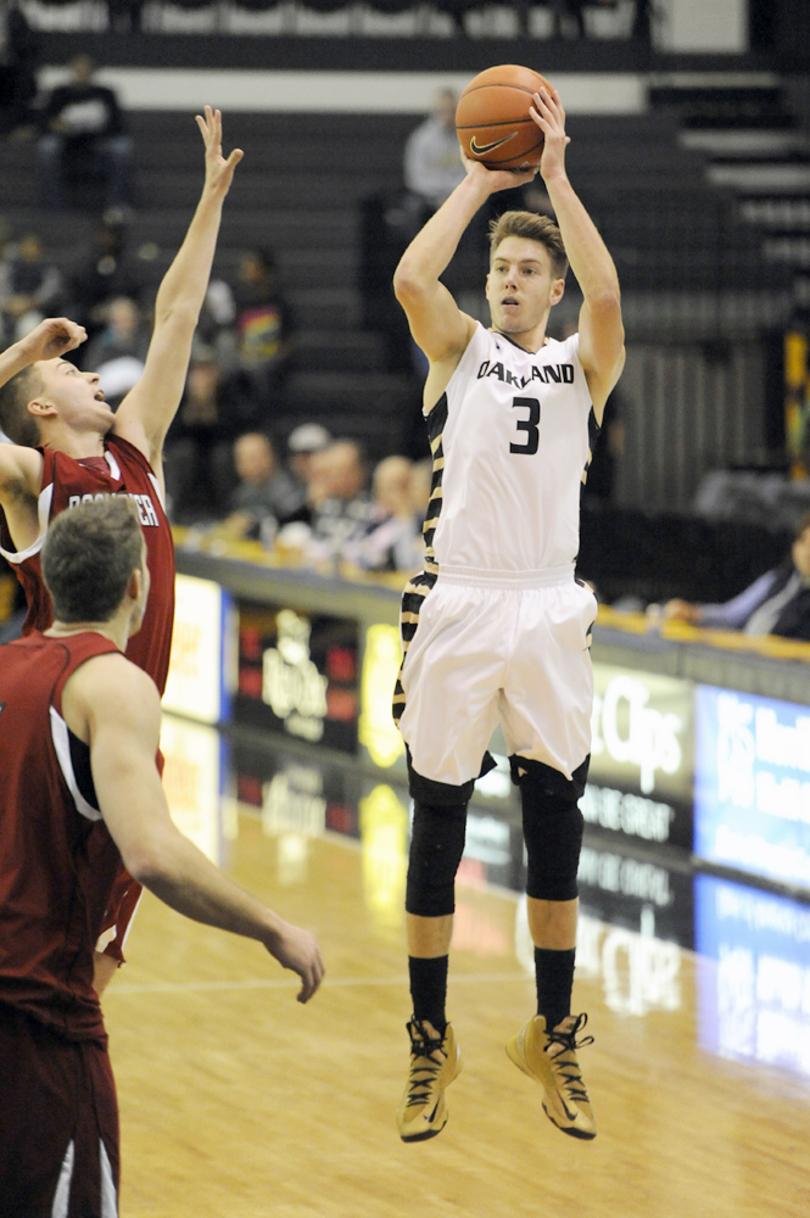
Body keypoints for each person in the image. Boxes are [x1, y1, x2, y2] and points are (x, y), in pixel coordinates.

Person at [391, 82, 624, 1142]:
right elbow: (409, 275)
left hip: (547, 608)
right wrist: (480, 182)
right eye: (501, 268)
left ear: (556, 286)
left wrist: (558, 177)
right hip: (461, 602)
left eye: (530, 269)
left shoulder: (584, 363)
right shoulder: (460, 351)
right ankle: (429, 1040)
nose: (512, 279)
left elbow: (612, 297)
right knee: (439, 822)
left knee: (554, 826)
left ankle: (552, 1032)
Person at [0, 497, 324, 1214]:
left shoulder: (6, 668)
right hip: (40, 1025)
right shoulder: (111, 683)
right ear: (138, 586)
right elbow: (152, 853)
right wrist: (274, 927)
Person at [0, 106, 243, 996]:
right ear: (39, 406)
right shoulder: (33, 474)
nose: (97, 372)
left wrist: (209, 199)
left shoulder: (138, 447)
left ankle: (60, 1117)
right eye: (72, 374)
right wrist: (21, 349)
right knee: (37, 958)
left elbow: (178, 311)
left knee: (94, 966)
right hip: (56, 732)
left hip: (130, 736)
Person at [662, 511, 810, 640]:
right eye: (802, 541)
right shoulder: (780, 578)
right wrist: (692, 613)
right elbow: (732, 615)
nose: (807, 552)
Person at [37, 53, 131, 211]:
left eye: (86, 69)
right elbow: (46, 122)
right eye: (78, 69)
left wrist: (102, 134)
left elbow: (117, 125)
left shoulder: (105, 94)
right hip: (67, 142)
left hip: (98, 142)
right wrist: (58, 126)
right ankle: (53, 203)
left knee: (121, 148)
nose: (82, 73)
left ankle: (115, 204)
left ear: (93, 72)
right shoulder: (60, 93)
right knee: (47, 148)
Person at [222, 430, 307, 541]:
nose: (246, 465)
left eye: (252, 458)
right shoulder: (243, 491)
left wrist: (253, 522)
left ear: (270, 457)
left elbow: (290, 518)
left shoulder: (289, 486)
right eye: (241, 459)